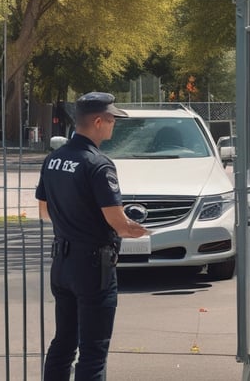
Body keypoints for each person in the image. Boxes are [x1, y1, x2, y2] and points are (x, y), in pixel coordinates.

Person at [36, 92, 149, 381]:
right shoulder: (98, 164)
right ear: (98, 122)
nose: (113, 125)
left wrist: (76, 218)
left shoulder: (54, 159)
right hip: (92, 267)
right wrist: (140, 229)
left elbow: (44, 211)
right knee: (93, 352)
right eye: (111, 119)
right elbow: (119, 224)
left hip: (61, 263)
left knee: (63, 343)